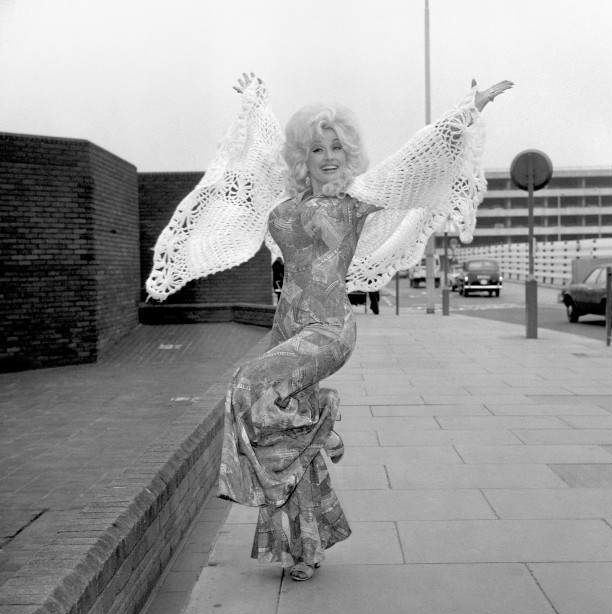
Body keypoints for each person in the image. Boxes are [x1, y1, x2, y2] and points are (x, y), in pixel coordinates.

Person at [146, 72, 512, 581]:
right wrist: (256, 106)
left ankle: (322, 433)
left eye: (337, 145)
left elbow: (415, 161)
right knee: (288, 431)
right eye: (317, 148)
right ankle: (306, 547)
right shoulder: (285, 206)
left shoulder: (356, 201)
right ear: (304, 158)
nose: (328, 154)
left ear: (349, 152)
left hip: (328, 330)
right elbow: (261, 156)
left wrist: (466, 111)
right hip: (288, 327)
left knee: (246, 385)